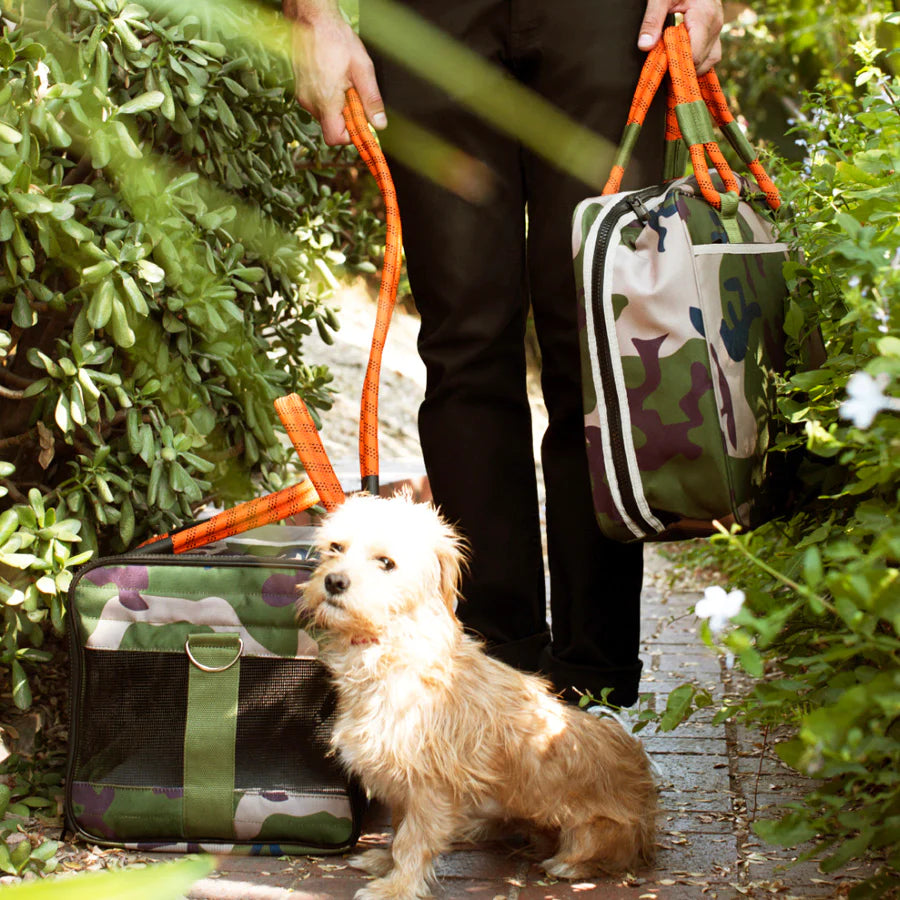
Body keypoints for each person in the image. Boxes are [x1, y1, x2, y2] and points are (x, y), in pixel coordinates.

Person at [284, 0, 724, 708]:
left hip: (608, 18)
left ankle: (593, 697)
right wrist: (312, 13)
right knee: (464, 344)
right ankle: (493, 680)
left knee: (598, 343)